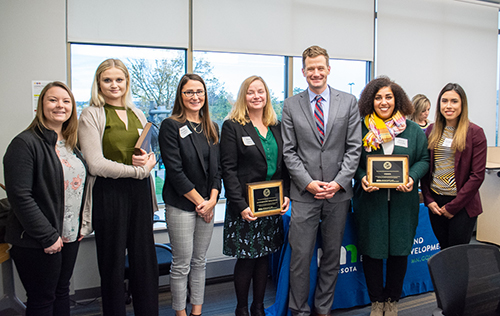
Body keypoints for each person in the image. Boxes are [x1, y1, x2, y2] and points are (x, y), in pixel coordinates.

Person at [281, 45, 362, 316]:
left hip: (338, 194)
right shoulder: (291, 105)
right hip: (304, 194)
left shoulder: (348, 102)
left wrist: (339, 182)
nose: (316, 73)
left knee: (331, 256)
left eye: (320, 68)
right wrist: (308, 183)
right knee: (300, 257)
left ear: (329, 69)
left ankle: (323, 309)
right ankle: (299, 310)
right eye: (310, 69)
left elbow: (354, 148)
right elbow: (289, 151)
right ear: (303, 72)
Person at [78, 59, 158, 316]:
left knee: (144, 261)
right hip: (109, 193)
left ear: (127, 82)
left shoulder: (138, 112)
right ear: (98, 83)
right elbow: (95, 164)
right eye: (108, 80)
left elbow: (149, 152)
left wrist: (148, 161)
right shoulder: (91, 114)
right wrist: (137, 171)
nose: (114, 85)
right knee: (112, 263)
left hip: (140, 193)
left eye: (119, 79)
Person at [3, 81, 87, 315]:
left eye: (66, 101)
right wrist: (47, 236)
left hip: (69, 235)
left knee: (62, 292)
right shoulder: (25, 143)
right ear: (41, 105)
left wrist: (79, 226)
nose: (60, 105)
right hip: (38, 239)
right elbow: (20, 196)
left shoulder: (71, 144)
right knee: (42, 300)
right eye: (53, 100)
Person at [352, 77, 430, 316]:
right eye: (378, 97)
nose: (383, 102)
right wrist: (363, 176)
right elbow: (351, 161)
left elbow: (424, 160)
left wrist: (411, 177)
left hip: (402, 202)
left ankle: (392, 300)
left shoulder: (413, 130)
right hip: (370, 201)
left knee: (399, 250)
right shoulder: (360, 129)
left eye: (388, 97)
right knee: (372, 251)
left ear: (397, 99)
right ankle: (377, 301)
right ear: (370, 101)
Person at [220, 76, 291, 316]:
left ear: (267, 96)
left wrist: (286, 195)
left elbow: (285, 166)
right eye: (251, 92)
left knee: (264, 258)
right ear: (244, 96)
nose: (256, 96)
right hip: (245, 207)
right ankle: (241, 309)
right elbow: (227, 170)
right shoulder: (233, 126)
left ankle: (258, 307)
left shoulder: (276, 126)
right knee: (247, 259)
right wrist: (240, 205)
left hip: (270, 204)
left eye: (261, 91)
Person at [159, 73, 221, 316]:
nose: (195, 97)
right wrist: (201, 203)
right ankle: (180, 313)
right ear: (181, 96)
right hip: (181, 205)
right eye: (189, 92)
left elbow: (218, 170)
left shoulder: (212, 128)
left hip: (208, 203)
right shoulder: (170, 125)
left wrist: (213, 200)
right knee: (182, 264)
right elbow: (174, 171)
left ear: (205, 96)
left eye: (199, 92)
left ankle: (196, 310)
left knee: (199, 262)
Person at [421, 83, 487, 250]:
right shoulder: (431, 130)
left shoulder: (475, 133)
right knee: (443, 250)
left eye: (454, 101)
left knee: (457, 255)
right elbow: (426, 167)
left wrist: (453, 207)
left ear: (462, 104)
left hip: (462, 204)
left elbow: (477, 175)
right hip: (436, 202)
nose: (448, 106)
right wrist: (428, 199)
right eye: (444, 101)